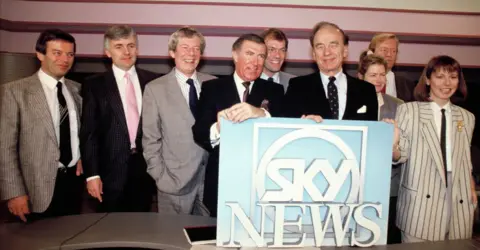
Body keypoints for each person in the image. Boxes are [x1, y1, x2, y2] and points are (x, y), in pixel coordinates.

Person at [192, 34, 284, 217]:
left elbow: (284, 128)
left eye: (261, 56)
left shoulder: (275, 90)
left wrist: (261, 113)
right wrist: (218, 127)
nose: (256, 61)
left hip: (263, 185)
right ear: (235, 55)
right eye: (250, 53)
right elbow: (199, 132)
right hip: (223, 183)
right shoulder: (212, 88)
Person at [0, 29, 84, 221]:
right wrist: (14, 193)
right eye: (57, 53)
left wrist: (81, 155)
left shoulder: (76, 89)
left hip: (72, 182)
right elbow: (4, 148)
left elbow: (78, 132)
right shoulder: (14, 92)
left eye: (70, 54)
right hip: (33, 187)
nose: (65, 59)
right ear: (40, 54)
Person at [390, 55, 476, 242]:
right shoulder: (410, 110)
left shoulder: (467, 117)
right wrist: (393, 143)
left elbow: (465, 158)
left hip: (458, 201)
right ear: (428, 79)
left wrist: (471, 185)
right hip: (420, 203)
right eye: (440, 77)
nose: (447, 83)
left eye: (453, 77)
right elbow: (400, 155)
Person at [80, 25, 158, 212]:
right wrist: (92, 175)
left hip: (145, 169)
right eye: (119, 46)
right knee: (109, 232)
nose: (126, 51)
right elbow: (89, 133)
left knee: (143, 230)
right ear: (108, 52)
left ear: (137, 49)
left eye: (131, 45)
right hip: (109, 172)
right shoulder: (94, 85)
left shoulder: (154, 81)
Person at [142, 27, 216, 215]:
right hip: (173, 183)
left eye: (196, 48)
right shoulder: (155, 89)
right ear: (172, 52)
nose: (191, 54)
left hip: (210, 181)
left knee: (207, 239)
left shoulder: (214, 84)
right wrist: (160, 176)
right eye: (185, 47)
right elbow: (150, 138)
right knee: (172, 239)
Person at [283, 21, 378, 121]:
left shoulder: (366, 91)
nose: (327, 52)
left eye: (333, 45)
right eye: (320, 47)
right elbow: (287, 128)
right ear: (314, 54)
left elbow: (373, 132)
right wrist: (301, 124)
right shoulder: (297, 88)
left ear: (345, 51)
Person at [357, 51, 403, 244]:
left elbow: (403, 146)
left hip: (389, 184)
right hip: (359, 181)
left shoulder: (399, 106)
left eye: (382, 74)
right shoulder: (352, 102)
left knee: (386, 236)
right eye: (373, 75)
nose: (378, 79)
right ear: (361, 76)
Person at [369, 33, 416, 102]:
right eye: (384, 50)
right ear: (372, 53)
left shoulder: (407, 85)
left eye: (394, 51)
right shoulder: (359, 84)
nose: (389, 55)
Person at [259, 28, 295, 92]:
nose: (278, 55)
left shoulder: (296, 84)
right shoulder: (248, 81)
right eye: (272, 49)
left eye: (282, 50)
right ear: (261, 52)